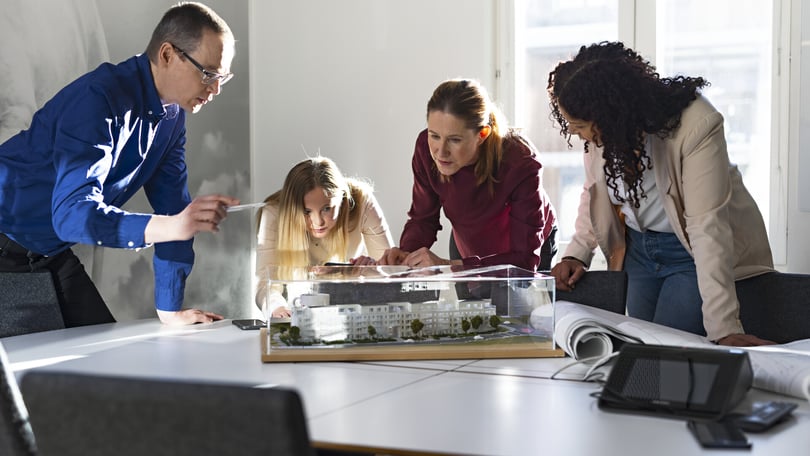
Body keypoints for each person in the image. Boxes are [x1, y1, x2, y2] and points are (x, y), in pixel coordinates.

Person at [0, 2, 239, 327]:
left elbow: (174, 211)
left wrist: (169, 310)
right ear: (168, 55)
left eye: (222, 78)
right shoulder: (97, 99)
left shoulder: (171, 121)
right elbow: (71, 216)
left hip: (49, 252)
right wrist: (171, 226)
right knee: (30, 375)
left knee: (103, 361)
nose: (214, 89)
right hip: (6, 244)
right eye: (208, 73)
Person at [547, 41, 775, 346]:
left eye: (581, 127)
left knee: (665, 353)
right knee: (643, 351)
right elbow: (596, 191)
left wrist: (724, 330)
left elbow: (707, 227)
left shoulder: (697, 124)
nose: (579, 135)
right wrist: (577, 252)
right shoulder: (603, 134)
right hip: (638, 252)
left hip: (690, 253)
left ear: (612, 114)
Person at [379, 78, 557, 272]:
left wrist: (448, 265)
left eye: (454, 140)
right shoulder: (425, 147)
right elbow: (423, 219)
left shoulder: (520, 162)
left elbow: (524, 260)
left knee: (517, 301)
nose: (440, 152)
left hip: (526, 248)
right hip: (467, 243)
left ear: (482, 135)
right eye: (434, 135)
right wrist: (406, 255)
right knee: (470, 303)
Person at [255, 156, 394, 317]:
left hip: (351, 312)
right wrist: (277, 308)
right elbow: (264, 284)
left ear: (342, 198)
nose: (318, 221)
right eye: (307, 212)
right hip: (298, 312)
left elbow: (392, 275)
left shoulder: (362, 202)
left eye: (327, 208)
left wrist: (369, 271)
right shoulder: (273, 213)